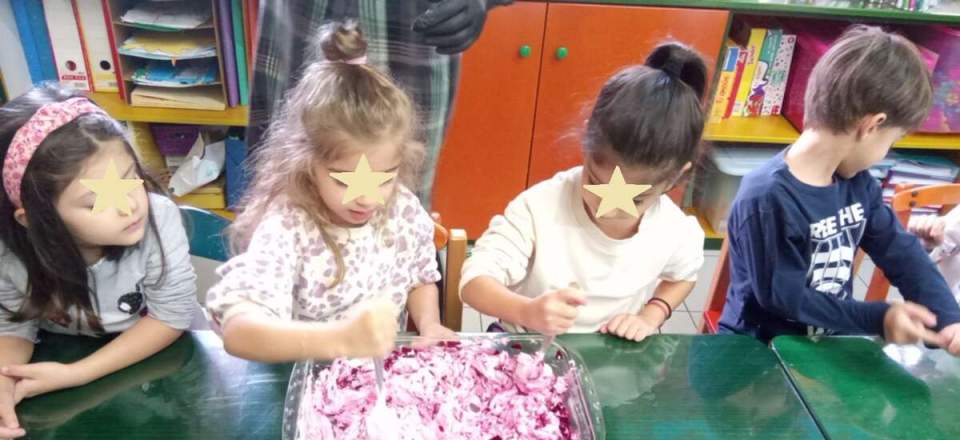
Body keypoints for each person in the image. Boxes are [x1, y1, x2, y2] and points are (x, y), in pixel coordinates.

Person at [207, 21, 455, 363]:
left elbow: (419, 277)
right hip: (305, 371)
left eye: (385, 178)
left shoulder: (403, 209)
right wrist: (340, 340)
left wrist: (429, 324)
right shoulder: (289, 226)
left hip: (381, 373)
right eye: (344, 181)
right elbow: (239, 333)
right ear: (307, 163)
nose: (368, 198)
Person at [718, 25, 960, 354]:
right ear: (871, 125)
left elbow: (900, 252)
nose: (886, 152)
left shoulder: (857, 183)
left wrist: (948, 318)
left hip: (823, 346)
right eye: (891, 141)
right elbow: (784, 297)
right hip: (756, 353)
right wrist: (880, 317)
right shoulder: (767, 198)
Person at [460, 43, 708, 341]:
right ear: (587, 142)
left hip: (608, 354)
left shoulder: (673, 231)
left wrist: (651, 314)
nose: (609, 207)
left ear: (675, 177)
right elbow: (474, 281)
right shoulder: (539, 207)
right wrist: (526, 311)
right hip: (526, 344)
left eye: (636, 199)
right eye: (596, 181)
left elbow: (684, 276)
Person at [0, 85, 198, 440]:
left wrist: (76, 374)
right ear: (34, 220)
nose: (130, 206)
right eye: (96, 202)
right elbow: (12, 326)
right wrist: (5, 379)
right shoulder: (10, 253)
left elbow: (171, 317)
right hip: (63, 369)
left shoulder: (159, 218)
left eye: (129, 178)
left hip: (157, 370)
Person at [249, 0, 513, 207]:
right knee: (287, 183)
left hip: (415, 25)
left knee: (399, 190)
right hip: (299, 16)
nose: (363, 199)